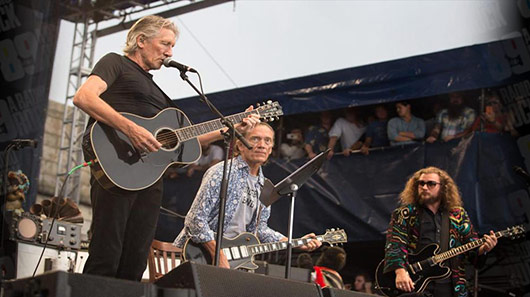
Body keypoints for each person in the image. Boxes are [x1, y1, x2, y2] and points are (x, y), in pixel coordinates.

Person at [74, 15, 260, 281]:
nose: (170, 52)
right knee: (107, 251)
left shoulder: (158, 93)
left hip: (150, 176)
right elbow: (84, 97)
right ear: (141, 40)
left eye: (172, 46)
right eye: (165, 44)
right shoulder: (115, 63)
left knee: (136, 257)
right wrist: (131, 129)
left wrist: (231, 129)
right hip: (117, 164)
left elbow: (186, 141)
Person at [173, 123, 321, 268]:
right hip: (198, 256)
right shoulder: (221, 172)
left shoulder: (265, 186)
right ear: (240, 145)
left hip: (234, 260)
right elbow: (195, 219)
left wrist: (295, 242)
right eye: (255, 139)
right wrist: (218, 254)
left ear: (270, 149)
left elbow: (261, 230)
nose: (262, 145)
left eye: (267, 140)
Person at [383, 167, 497, 297]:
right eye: (421, 183)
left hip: (451, 285)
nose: (425, 187)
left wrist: (484, 249)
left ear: (443, 188)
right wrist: (400, 271)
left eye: (431, 184)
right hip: (417, 284)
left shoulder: (458, 215)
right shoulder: (405, 213)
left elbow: (473, 249)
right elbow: (395, 243)